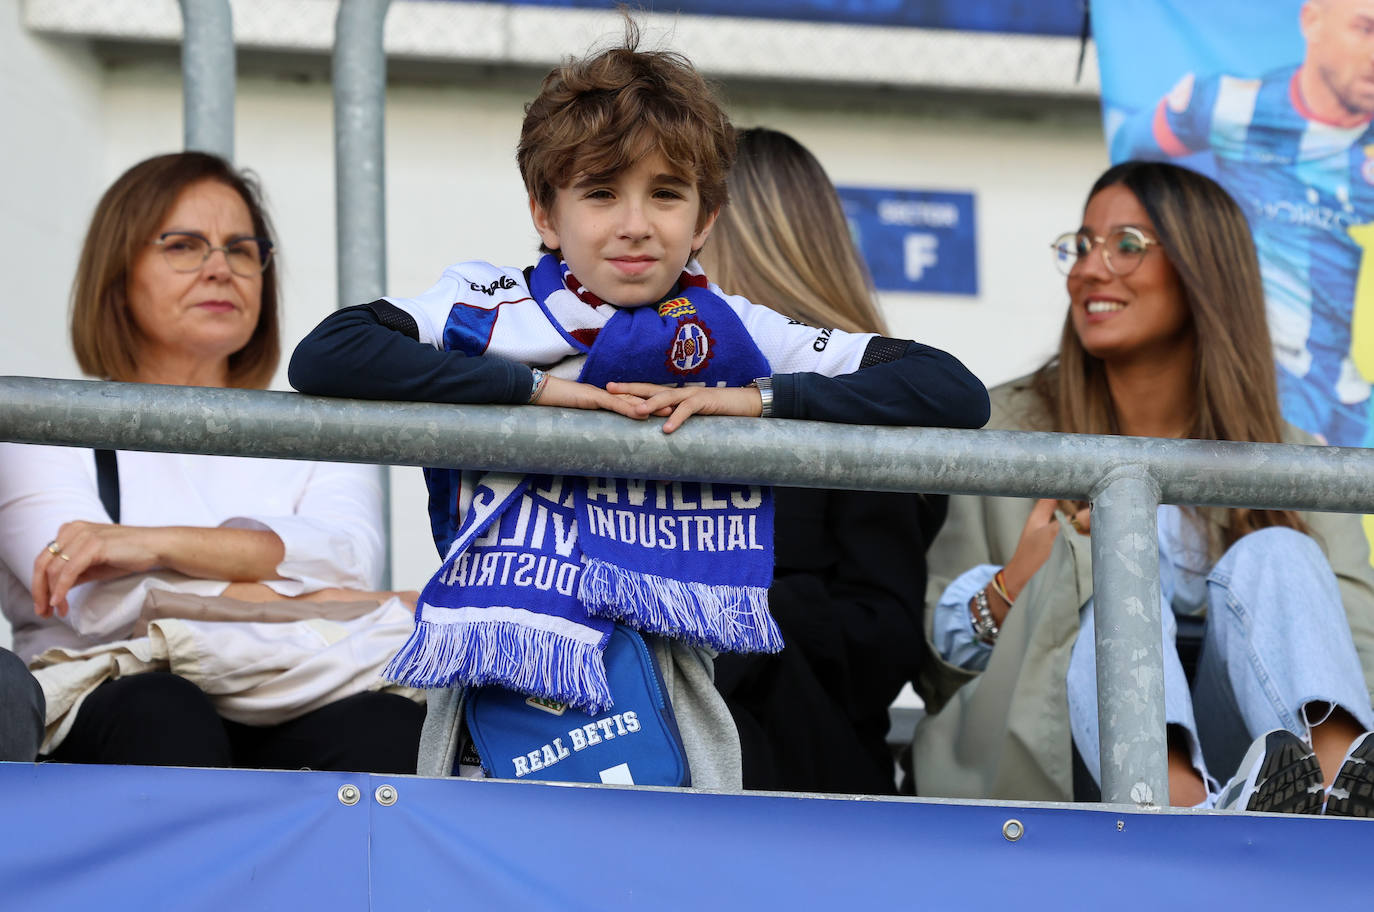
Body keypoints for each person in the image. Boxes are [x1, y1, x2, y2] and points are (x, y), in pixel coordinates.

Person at [289, 26, 989, 789]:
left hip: (678, 710)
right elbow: (328, 353)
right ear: (545, 215)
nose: (634, 224)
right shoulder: (485, 305)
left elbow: (950, 389)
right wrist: (536, 393)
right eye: (600, 192)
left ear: (706, 217)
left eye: (665, 193)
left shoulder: (735, 327)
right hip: (499, 686)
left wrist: (751, 399)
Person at [913, 160, 1374, 815]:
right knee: (1110, 577)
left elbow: (1360, 656)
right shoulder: (1000, 432)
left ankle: (1339, 798)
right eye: (1082, 245)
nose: (1090, 269)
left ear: (1203, 272)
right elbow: (932, 673)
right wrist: (1017, 586)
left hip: (1248, 770)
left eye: (1127, 245)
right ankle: (1177, 812)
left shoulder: (1292, 460)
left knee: (1280, 551)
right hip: (1044, 764)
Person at [0, 151, 424, 773]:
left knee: (390, 728)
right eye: (184, 246)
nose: (220, 269)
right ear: (118, 272)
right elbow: (88, 596)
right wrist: (310, 594)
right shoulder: (43, 430)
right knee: (164, 710)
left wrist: (146, 543)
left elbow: (351, 565)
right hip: (113, 702)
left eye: (241, 249)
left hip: (291, 688)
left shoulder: (320, 430)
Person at [694, 126, 945, 794]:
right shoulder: (638, 373)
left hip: (796, 788)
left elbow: (880, 643)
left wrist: (728, 613)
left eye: (673, 207)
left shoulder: (860, 402)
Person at [1111, 0, 1374, 449]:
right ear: (1312, 21)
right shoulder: (1228, 106)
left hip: (1346, 406)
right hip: (1236, 393)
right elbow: (1129, 158)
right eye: (1366, 29)